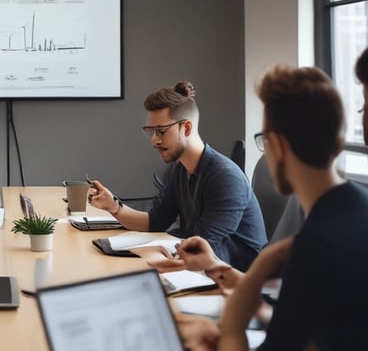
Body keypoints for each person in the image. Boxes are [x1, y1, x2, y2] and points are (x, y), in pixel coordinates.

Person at [182, 65, 368, 351]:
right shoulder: (357, 207)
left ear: (278, 145)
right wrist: (220, 268)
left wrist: (230, 330)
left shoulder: (314, 245)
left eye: (264, 140)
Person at [88, 81, 267, 271]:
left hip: (234, 281)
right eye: (151, 132)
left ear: (187, 128)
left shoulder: (226, 178)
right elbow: (155, 221)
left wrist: (150, 253)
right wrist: (113, 206)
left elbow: (200, 248)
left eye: (161, 131)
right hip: (199, 270)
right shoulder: (179, 170)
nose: (154, 140)